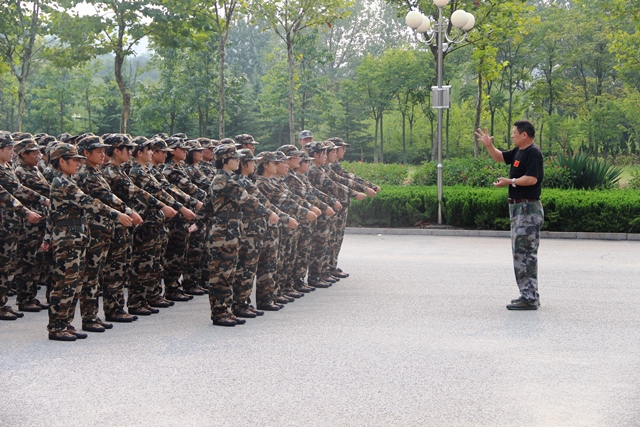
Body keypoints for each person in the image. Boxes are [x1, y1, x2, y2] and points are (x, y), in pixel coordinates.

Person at [43, 143, 133, 341]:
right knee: (65, 283)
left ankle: (65, 322)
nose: (78, 163)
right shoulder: (62, 183)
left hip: (75, 236)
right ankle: (57, 326)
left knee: (74, 283)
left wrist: (47, 237)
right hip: (67, 238)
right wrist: (117, 214)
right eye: (74, 160)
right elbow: (88, 202)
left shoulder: (67, 180)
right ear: (62, 161)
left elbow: (51, 213)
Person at [475, 120, 544, 310]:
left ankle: (529, 298)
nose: (512, 135)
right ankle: (528, 294)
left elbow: (532, 179)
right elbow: (499, 157)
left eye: (514, 132)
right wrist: (489, 146)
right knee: (520, 252)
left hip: (527, 209)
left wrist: (510, 181)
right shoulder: (518, 152)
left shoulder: (533, 153)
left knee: (525, 253)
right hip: (518, 209)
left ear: (524, 135)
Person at [207, 144, 278, 326]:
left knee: (229, 273)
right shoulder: (223, 179)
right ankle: (220, 313)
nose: (238, 161)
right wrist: (268, 213)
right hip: (223, 232)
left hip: (231, 230)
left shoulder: (228, 178)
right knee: (222, 274)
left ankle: (228, 309)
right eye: (235, 158)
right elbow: (246, 199)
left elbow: (207, 206)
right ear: (224, 160)